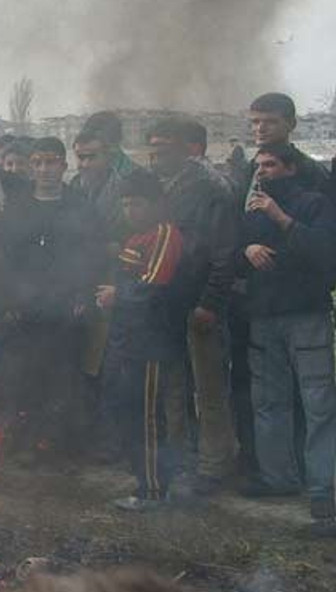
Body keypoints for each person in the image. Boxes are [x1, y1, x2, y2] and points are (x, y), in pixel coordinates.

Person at [239, 143, 336, 537]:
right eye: (259, 166)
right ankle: (277, 476)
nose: (263, 172)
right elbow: (232, 252)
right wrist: (247, 248)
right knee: (269, 400)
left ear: (290, 168)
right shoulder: (252, 208)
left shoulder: (314, 202)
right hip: (264, 316)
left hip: (306, 316)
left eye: (271, 165)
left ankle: (323, 489)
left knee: (318, 403)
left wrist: (281, 218)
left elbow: (324, 252)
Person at [0, 138, 105, 460]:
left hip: (66, 306)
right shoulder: (16, 206)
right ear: (32, 167)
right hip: (25, 306)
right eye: (39, 163)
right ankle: (28, 443)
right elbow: (3, 257)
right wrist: (9, 299)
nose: (45, 170)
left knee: (66, 378)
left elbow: (93, 254)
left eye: (52, 162)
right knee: (27, 377)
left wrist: (83, 293)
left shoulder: (80, 205)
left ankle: (64, 447)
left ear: (63, 165)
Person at [145, 119, 238, 491]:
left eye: (164, 148)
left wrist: (210, 302)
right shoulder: (164, 188)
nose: (156, 155)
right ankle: (181, 461)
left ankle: (215, 465)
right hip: (169, 305)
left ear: (188, 148)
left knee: (209, 388)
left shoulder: (211, 188)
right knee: (174, 386)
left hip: (200, 304)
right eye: (152, 148)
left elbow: (223, 252)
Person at [96, 171, 187, 511]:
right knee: (128, 411)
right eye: (125, 204)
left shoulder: (164, 234)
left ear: (155, 204)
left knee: (148, 417)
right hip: (127, 339)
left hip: (151, 343)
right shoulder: (136, 237)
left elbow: (154, 287)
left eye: (136, 203)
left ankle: (154, 490)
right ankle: (143, 479)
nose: (130, 210)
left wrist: (116, 295)